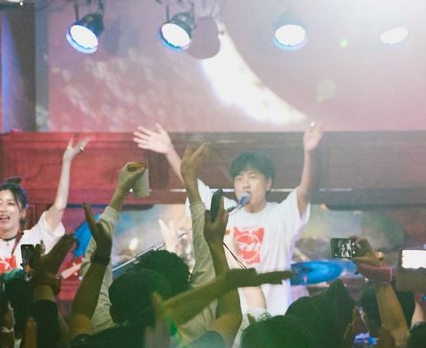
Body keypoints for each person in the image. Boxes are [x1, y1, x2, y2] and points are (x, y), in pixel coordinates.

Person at [133, 122, 323, 315]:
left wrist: (310, 153)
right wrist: (169, 151)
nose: (245, 184)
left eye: (253, 177)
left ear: (268, 183)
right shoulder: (227, 212)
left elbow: (305, 193)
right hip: (233, 320)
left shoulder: (280, 216)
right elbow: (192, 185)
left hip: (274, 318)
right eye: (239, 178)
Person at [0, 137, 89, 279]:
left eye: (10, 203)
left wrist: (66, 162)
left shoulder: (30, 241)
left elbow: (59, 206)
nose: (3, 208)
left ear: (22, 213)